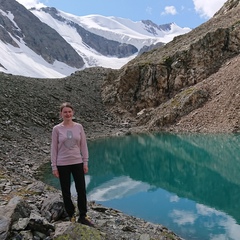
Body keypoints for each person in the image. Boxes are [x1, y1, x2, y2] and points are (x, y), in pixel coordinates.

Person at [50, 102, 94, 227]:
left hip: (77, 162)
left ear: (73, 113)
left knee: (81, 189)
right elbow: (54, 148)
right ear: (61, 114)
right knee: (66, 191)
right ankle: (71, 214)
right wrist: (54, 166)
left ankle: (83, 215)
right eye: (65, 112)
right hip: (62, 163)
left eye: (69, 111)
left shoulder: (79, 127)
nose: (68, 114)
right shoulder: (57, 129)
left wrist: (85, 162)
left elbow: (83, 145)